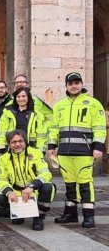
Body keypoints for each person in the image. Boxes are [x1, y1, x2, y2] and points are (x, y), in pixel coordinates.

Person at [48, 72, 106, 228]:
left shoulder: (93, 103)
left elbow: (99, 127)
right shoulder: (60, 105)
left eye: (77, 83)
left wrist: (98, 147)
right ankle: (70, 214)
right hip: (65, 152)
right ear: (66, 85)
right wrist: (52, 146)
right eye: (71, 83)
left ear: (81, 84)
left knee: (85, 182)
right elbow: (54, 127)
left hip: (84, 151)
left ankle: (88, 216)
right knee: (69, 184)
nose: (74, 86)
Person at [0, 130, 55, 231]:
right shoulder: (3, 158)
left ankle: (39, 217)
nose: (18, 144)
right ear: (9, 144)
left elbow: (45, 173)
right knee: (0, 197)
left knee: (48, 187)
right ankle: (19, 214)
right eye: (14, 142)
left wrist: (32, 187)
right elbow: (1, 180)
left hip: (34, 190)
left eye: (20, 141)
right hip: (16, 191)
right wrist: (9, 192)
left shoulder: (36, 153)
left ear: (25, 142)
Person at [0, 88, 48, 154]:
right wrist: (1, 148)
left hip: (31, 150)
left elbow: (41, 135)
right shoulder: (7, 113)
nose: (21, 99)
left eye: (23, 96)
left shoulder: (37, 115)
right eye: (18, 97)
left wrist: (41, 151)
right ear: (15, 99)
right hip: (11, 150)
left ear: (28, 97)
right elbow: (2, 132)